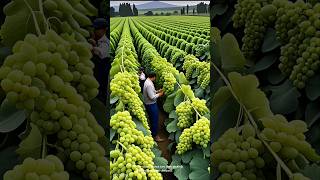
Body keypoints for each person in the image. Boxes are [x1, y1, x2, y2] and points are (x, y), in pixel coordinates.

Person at [89, 18, 109, 105]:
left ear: (105, 30)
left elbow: (101, 53)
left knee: (100, 96)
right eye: (95, 29)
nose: (95, 31)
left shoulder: (106, 42)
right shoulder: (97, 41)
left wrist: (91, 46)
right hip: (95, 77)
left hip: (101, 78)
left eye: (97, 29)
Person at [143, 72, 165, 142]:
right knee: (154, 120)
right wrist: (160, 94)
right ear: (154, 77)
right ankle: (155, 136)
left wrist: (157, 91)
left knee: (152, 119)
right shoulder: (149, 84)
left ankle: (152, 132)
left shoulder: (148, 81)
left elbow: (152, 92)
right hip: (151, 105)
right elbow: (152, 97)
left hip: (149, 104)